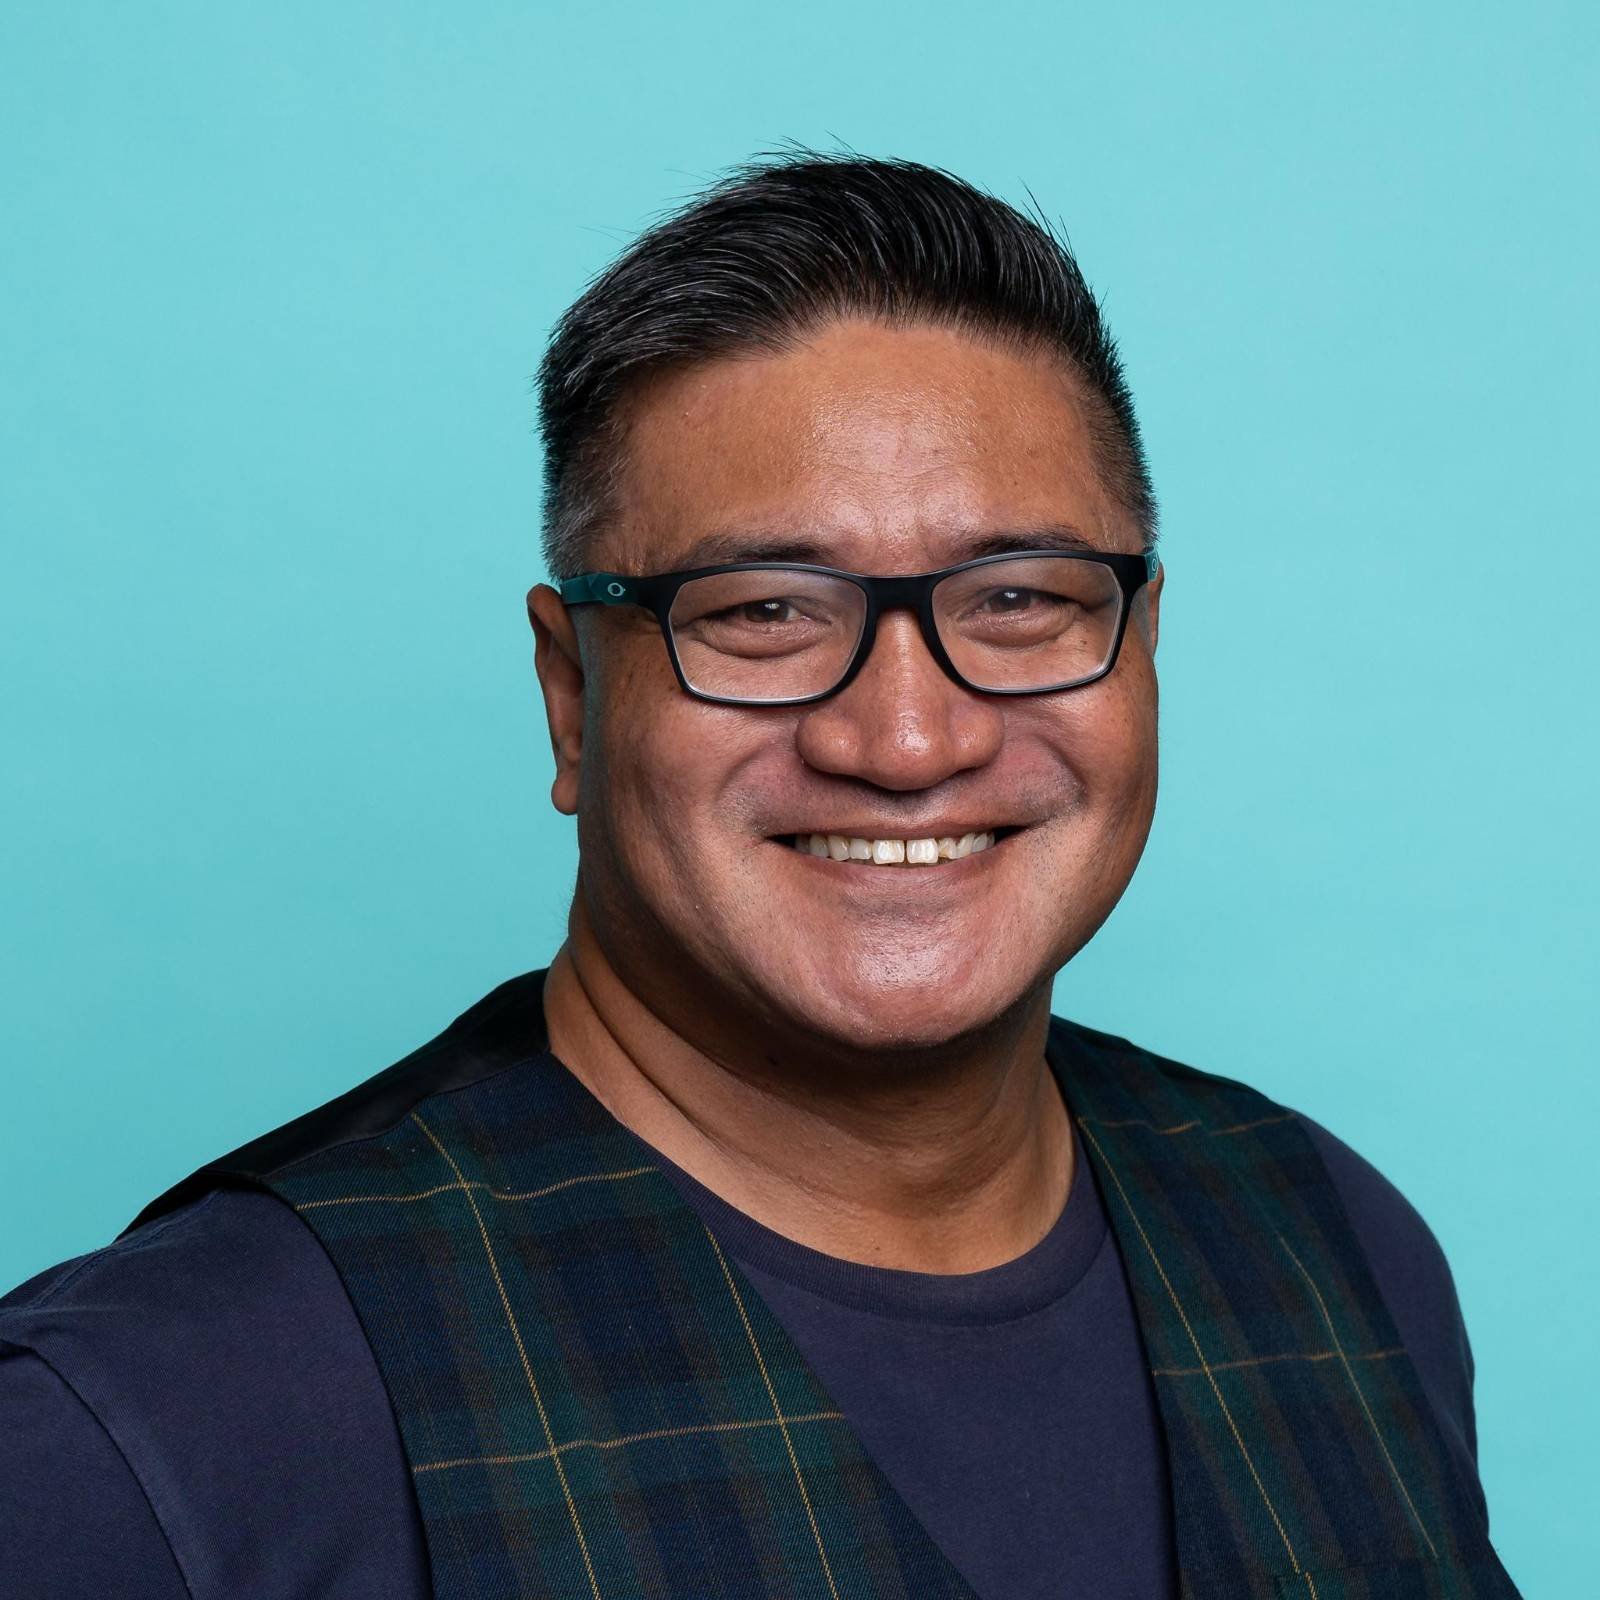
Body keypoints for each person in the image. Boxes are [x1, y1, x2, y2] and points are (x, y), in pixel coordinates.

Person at [0, 153, 1522, 1600]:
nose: (908, 735)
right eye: (764, 613)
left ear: (1140, 645)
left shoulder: (1336, 1247)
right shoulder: (148, 1424)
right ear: (574, 699)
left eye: (1017, 598)